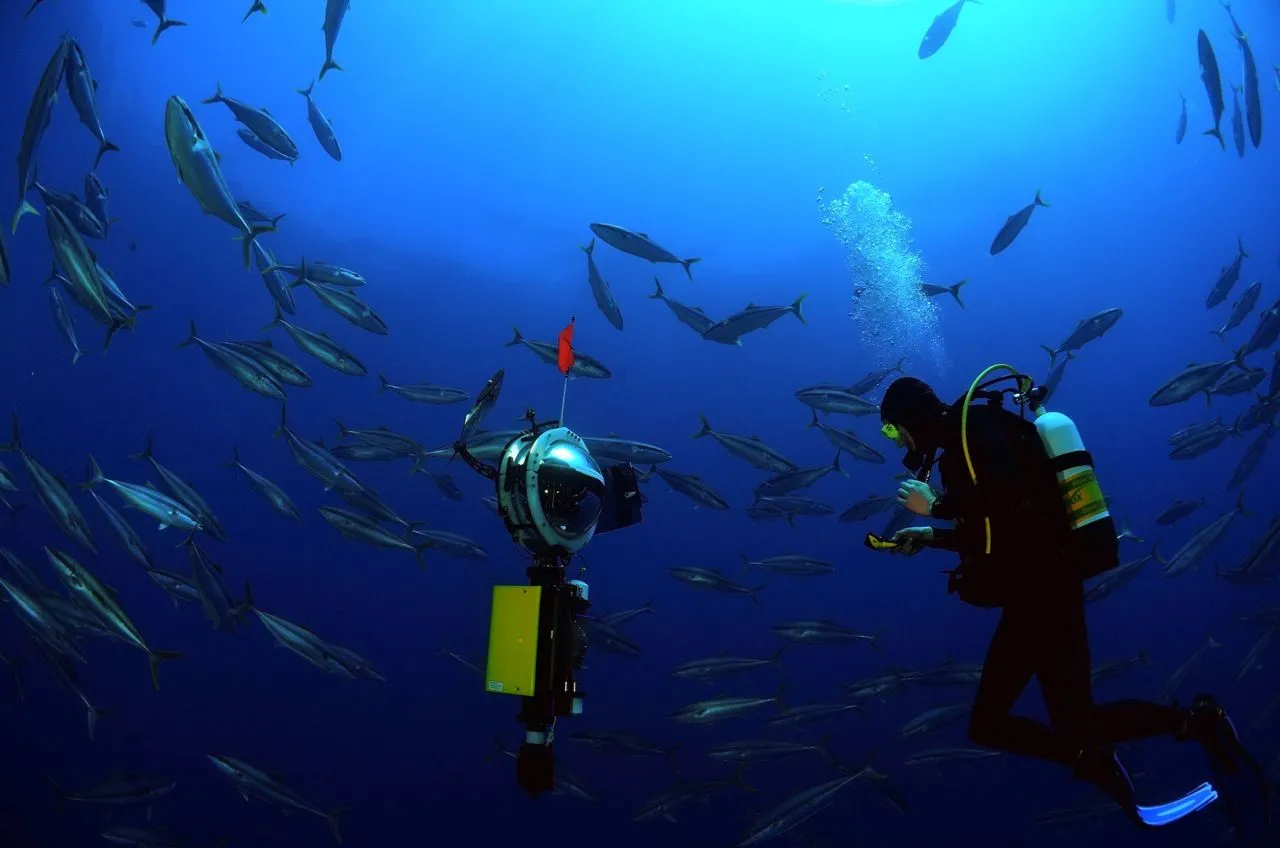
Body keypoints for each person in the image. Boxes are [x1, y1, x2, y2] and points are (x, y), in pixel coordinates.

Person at [877, 374, 1264, 829]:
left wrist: (937, 509)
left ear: (909, 418)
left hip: (1044, 590)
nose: (897, 441)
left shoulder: (974, 433)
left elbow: (1008, 514)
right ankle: (1176, 730)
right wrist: (929, 536)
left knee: (1006, 723)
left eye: (891, 429)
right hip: (1037, 591)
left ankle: (1161, 736)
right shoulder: (966, 441)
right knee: (1041, 723)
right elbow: (994, 532)